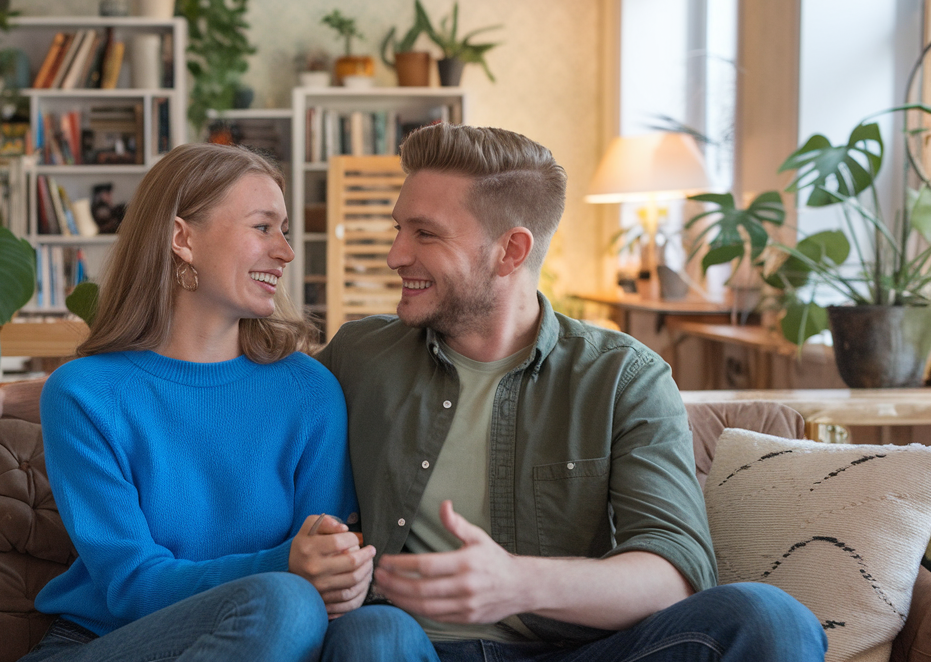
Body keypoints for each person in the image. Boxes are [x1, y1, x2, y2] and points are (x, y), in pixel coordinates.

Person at [0, 143, 436, 662]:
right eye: (263, 227)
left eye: (283, 230)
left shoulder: (309, 390)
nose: (285, 251)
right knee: (283, 603)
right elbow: (131, 585)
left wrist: (342, 573)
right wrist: (285, 566)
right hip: (112, 642)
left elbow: (326, 564)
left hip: (273, 639)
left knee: (387, 635)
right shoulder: (87, 393)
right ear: (182, 239)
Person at [313, 123, 825, 661]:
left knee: (770, 619)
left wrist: (515, 582)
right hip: (410, 649)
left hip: (573, 651)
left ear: (511, 251)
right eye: (400, 229)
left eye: (425, 233)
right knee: (369, 635)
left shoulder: (624, 377)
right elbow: (256, 406)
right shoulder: (360, 354)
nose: (395, 254)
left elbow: (674, 572)